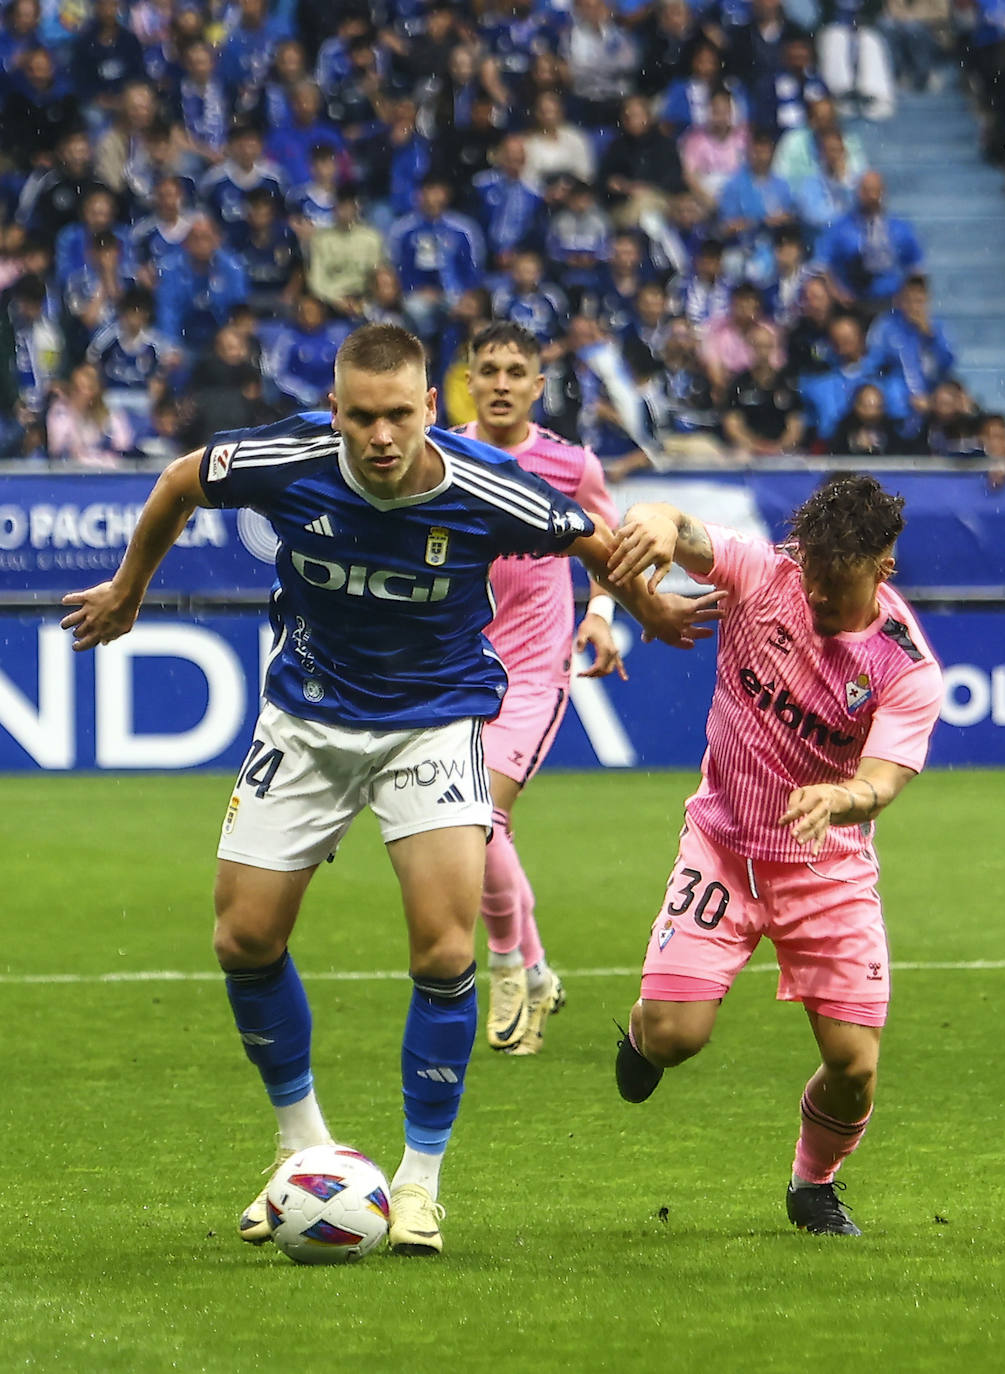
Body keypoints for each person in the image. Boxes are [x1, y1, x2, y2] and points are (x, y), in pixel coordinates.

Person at [60, 321, 710, 1258]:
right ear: (335, 410)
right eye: (361, 416)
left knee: (446, 953)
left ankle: (418, 1184)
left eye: (399, 414)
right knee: (243, 937)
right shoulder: (290, 457)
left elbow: (590, 536)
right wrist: (129, 589)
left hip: (434, 724)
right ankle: (302, 1150)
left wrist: (646, 608)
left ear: (427, 409)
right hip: (307, 719)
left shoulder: (486, 485)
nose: (380, 436)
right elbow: (180, 480)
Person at [606, 474, 944, 1236]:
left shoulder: (904, 666)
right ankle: (642, 1032)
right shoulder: (766, 575)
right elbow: (674, 524)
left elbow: (883, 779)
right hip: (723, 847)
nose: (816, 596)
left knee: (855, 1068)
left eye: (837, 585)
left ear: (882, 571)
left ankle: (812, 1183)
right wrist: (655, 524)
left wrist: (843, 798)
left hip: (827, 867)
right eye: (812, 575)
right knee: (673, 1039)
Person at [462, 322, 627, 1054]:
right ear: (469, 378)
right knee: (481, 830)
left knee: (480, 819)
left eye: (515, 370)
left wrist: (600, 612)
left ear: (537, 384)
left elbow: (613, 544)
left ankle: (503, 967)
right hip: (457, 672)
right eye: (488, 369)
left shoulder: (567, 464)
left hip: (533, 675)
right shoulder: (440, 455)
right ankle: (535, 970)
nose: (500, 382)